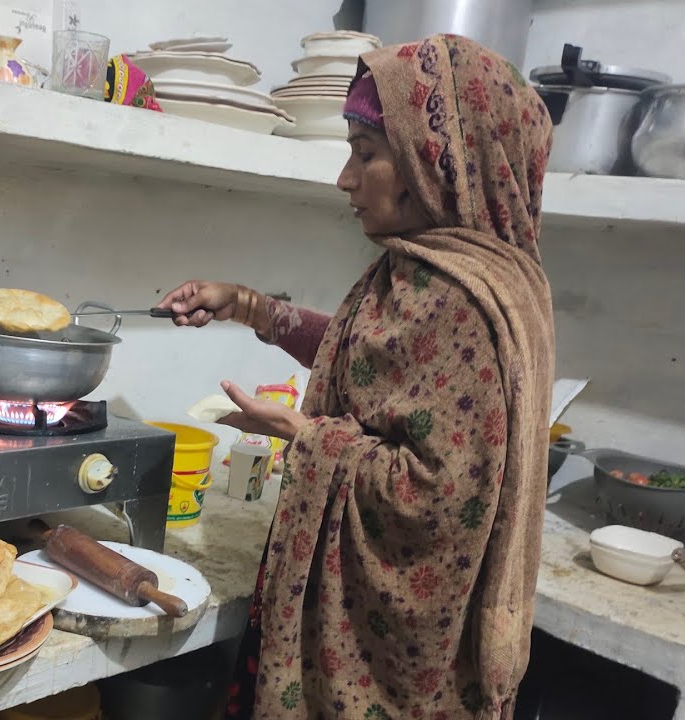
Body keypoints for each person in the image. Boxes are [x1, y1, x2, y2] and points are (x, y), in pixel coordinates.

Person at [157, 34, 555, 719]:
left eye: (366, 153)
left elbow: (437, 496)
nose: (345, 177)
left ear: (439, 162)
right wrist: (251, 306)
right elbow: (380, 366)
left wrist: (302, 436)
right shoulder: (467, 274)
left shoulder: (455, 296)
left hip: (393, 670)